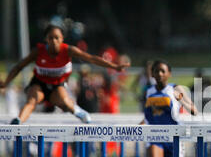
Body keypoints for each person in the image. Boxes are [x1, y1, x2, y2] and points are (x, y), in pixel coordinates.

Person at [0, 25, 129, 124]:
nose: (54, 41)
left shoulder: (68, 50)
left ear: (62, 39)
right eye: (50, 38)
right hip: (39, 83)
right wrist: (6, 83)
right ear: (46, 39)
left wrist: (114, 66)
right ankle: (18, 122)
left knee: (65, 102)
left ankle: (77, 110)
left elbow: (91, 58)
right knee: (32, 100)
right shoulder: (38, 51)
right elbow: (19, 67)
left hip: (57, 85)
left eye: (57, 38)